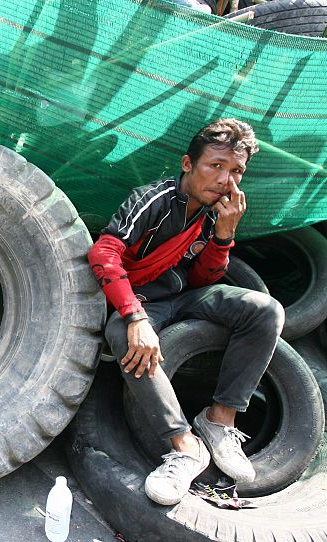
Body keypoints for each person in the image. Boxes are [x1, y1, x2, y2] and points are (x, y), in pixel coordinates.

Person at [87, 118, 284, 506]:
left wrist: (225, 235)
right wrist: (135, 317)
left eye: (236, 171)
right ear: (187, 163)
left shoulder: (216, 212)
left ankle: (219, 420)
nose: (225, 180)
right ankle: (185, 447)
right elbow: (104, 252)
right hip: (143, 299)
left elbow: (203, 277)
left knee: (266, 311)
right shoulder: (153, 199)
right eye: (216, 166)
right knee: (119, 332)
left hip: (184, 296)